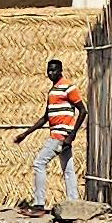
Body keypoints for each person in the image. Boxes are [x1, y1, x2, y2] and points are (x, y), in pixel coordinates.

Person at [22, 57, 88, 213]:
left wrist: (71, 135)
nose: (51, 73)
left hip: (60, 135)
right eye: (49, 70)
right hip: (62, 137)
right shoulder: (53, 91)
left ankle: (39, 204)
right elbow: (46, 117)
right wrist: (26, 134)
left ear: (60, 71)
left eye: (54, 70)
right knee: (68, 170)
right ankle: (74, 203)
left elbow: (83, 110)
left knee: (39, 163)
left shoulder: (68, 88)